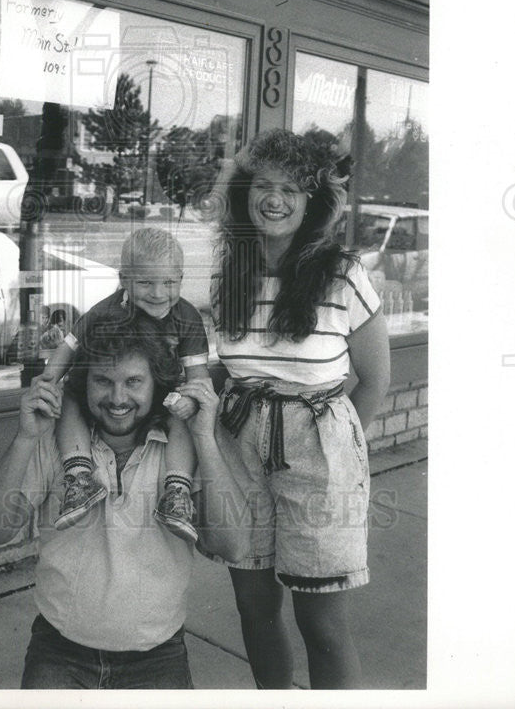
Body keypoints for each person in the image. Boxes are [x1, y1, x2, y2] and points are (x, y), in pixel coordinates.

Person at [210, 129, 391, 690]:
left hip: (319, 451)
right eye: (263, 185)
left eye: (291, 188)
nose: (275, 199)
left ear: (313, 201)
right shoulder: (230, 274)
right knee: (254, 606)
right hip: (237, 444)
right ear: (244, 193)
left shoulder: (343, 274)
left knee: (323, 625)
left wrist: (337, 446)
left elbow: (376, 378)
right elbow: (228, 366)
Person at [0, 330, 250, 689]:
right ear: (84, 384)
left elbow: (235, 546)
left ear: (156, 384)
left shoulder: (182, 446)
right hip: (59, 653)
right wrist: (25, 438)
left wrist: (206, 438)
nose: (118, 398)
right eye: (103, 381)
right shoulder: (56, 438)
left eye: (134, 382)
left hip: (158, 657)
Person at [39, 228, 210, 543]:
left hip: (163, 394)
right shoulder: (107, 309)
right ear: (124, 280)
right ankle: (79, 477)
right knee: (70, 401)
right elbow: (69, 348)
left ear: (182, 279)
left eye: (170, 283)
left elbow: (199, 377)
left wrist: (193, 399)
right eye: (145, 282)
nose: (159, 293)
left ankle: (177, 492)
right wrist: (48, 381)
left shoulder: (186, 316)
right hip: (108, 393)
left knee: (181, 418)